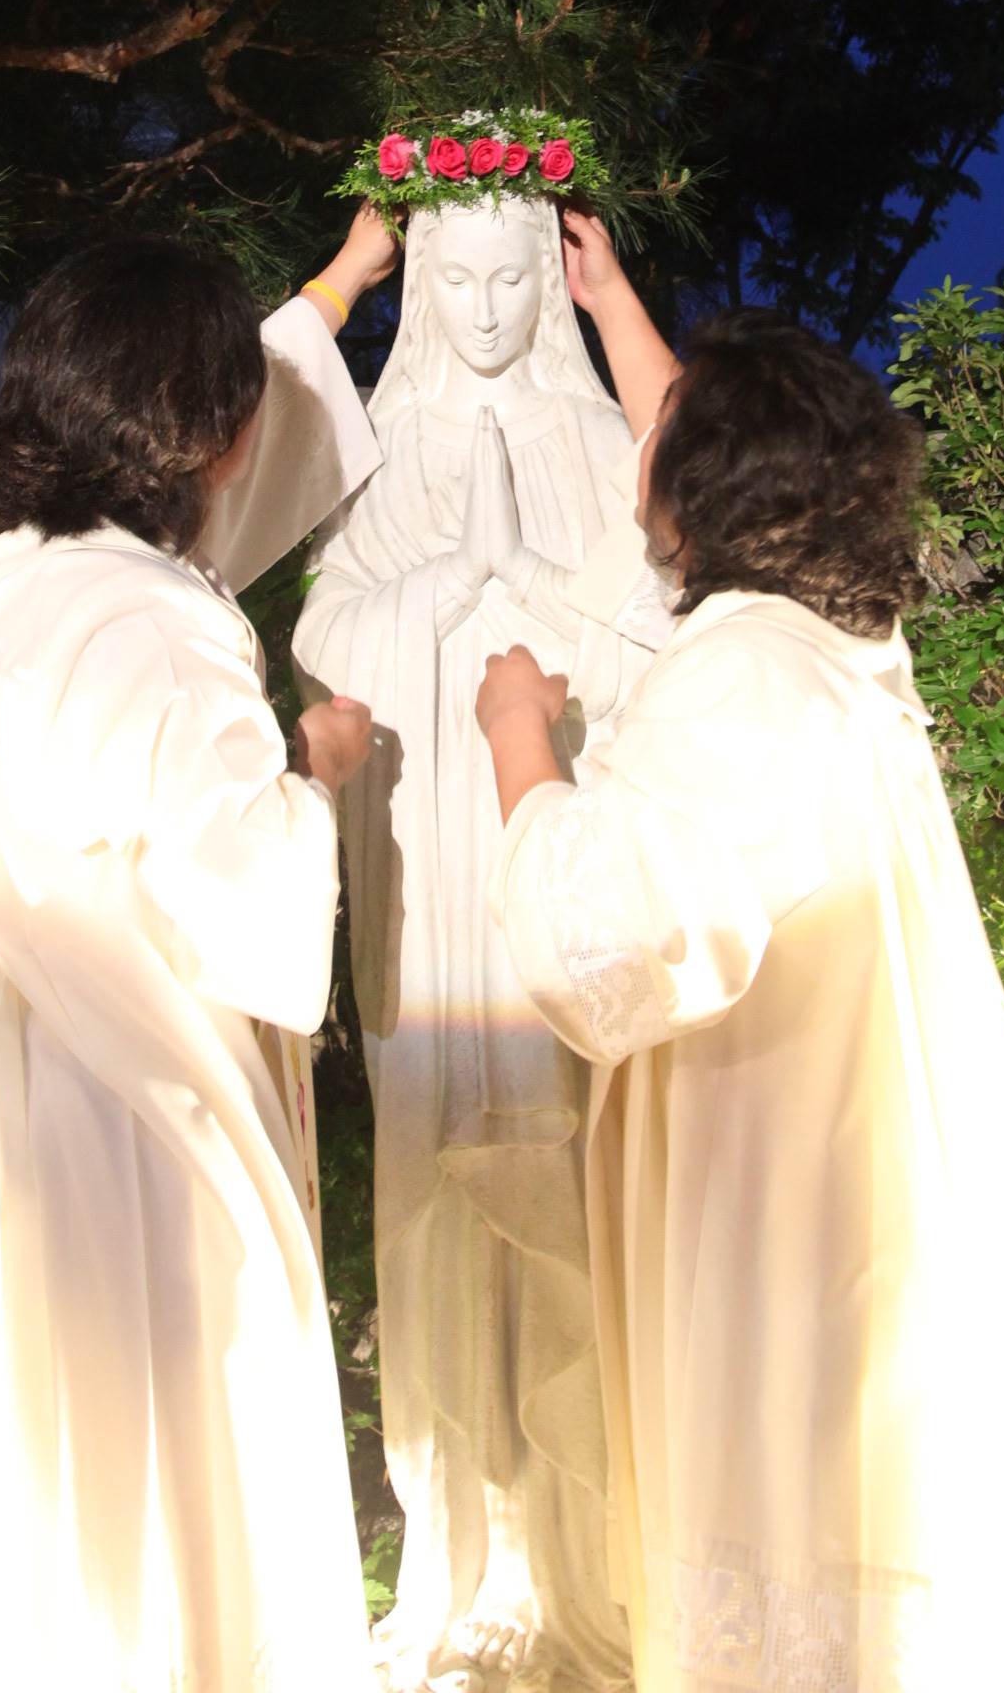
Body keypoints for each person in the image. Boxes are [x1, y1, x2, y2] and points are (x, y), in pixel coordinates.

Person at [478, 228, 1004, 1693]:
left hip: (781, 1185)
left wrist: (518, 740)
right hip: (846, 1157)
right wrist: (613, 304)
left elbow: (603, 941)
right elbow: (692, 473)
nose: (640, 449)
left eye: (666, 434)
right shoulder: (834, 642)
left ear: (704, 485)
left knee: (791, 1508)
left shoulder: (748, 673)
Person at [0, 213, 397, 1693]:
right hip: (112, 1108)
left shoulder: (16, 559)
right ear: (209, 428)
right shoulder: (158, 627)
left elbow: (219, 459)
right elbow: (245, 901)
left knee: (30, 1451)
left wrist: (338, 287)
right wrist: (320, 772)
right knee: (153, 1448)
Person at [293, 189, 649, 1693]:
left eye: (517, 281)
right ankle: (465, 1552)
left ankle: (590, 1558)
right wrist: (452, 578)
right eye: (464, 284)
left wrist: (534, 584)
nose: (492, 312)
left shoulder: (594, 438)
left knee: (579, 1165)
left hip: (552, 850)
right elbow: (324, 638)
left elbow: (654, 631)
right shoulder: (383, 447)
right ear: (424, 289)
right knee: (440, 1176)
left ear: (549, 289)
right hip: (429, 871)